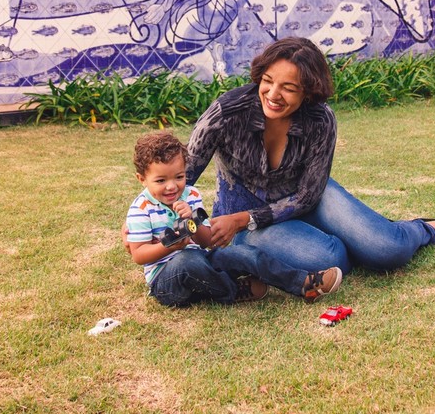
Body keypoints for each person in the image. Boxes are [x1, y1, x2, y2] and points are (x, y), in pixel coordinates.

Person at [187, 36, 435, 275]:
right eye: (268, 81)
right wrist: (189, 221)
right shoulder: (227, 111)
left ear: (308, 92)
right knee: (329, 258)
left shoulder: (320, 119)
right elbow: (183, 175)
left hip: (307, 199)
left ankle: (423, 230)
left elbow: (306, 196)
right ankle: (350, 238)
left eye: (288, 88)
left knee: (387, 250)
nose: (273, 94)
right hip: (241, 219)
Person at [125, 130, 343, 307]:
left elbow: (206, 241)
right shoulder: (141, 208)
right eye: (161, 180)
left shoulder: (190, 195)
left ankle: (303, 283)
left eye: (179, 177)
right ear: (142, 179)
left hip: (201, 260)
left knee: (245, 254)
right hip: (167, 280)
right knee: (186, 261)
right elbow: (139, 255)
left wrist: (192, 221)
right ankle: (233, 290)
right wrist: (170, 248)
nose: (172, 186)